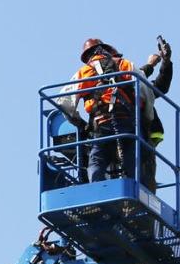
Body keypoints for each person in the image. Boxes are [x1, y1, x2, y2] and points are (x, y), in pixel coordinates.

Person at [70, 38, 141, 183]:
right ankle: (135, 187)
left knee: (97, 160)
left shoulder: (84, 72)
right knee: (130, 156)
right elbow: (146, 92)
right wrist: (143, 119)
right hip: (126, 121)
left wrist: (80, 123)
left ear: (87, 56)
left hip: (100, 123)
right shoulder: (125, 64)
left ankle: (95, 192)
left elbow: (65, 103)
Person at [137, 36, 173, 191]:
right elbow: (137, 75)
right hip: (126, 132)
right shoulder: (120, 83)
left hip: (147, 133)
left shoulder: (136, 88)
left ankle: (147, 194)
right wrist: (151, 64)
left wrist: (166, 61)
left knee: (145, 166)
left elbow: (161, 86)